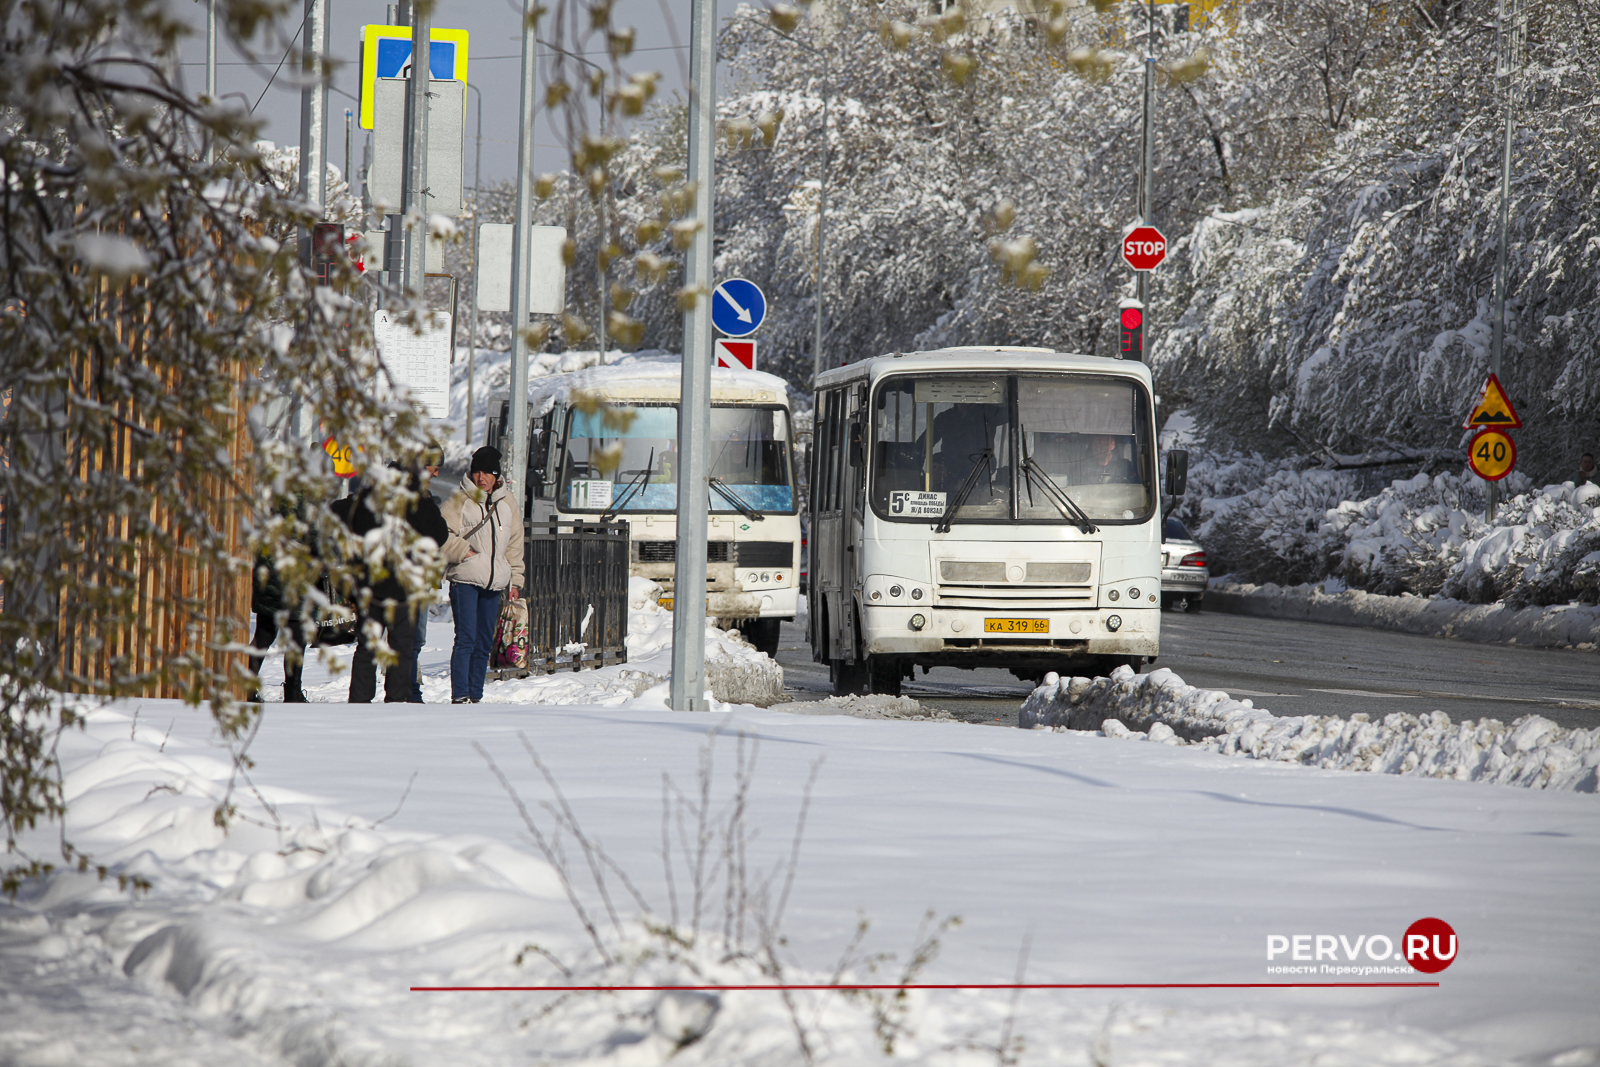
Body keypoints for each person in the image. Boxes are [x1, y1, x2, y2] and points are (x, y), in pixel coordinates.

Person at [336, 463, 452, 703]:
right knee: (401, 646)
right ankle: (396, 701)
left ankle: (359, 700)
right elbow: (440, 534)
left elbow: (337, 512)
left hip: (371, 582)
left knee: (368, 645)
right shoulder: (416, 502)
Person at [442, 446, 525, 704]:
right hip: (465, 579)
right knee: (466, 638)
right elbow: (441, 533)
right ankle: (460, 695)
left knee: (483, 642)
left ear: (496, 475)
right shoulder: (459, 500)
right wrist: (462, 551)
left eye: (487, 473)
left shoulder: (507, 503)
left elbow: (515, 544)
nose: (481, 478)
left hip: (495, 583)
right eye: (477, 472)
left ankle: (476, 695)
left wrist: (516, 581)